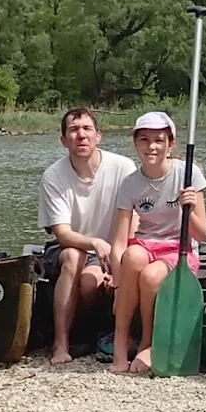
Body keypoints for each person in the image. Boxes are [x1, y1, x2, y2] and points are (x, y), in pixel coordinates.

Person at [109, 112, 206, 374]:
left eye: (158, 140)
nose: (151, 146)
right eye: (144, 140)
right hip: (146, 244)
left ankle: (149, 344)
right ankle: (120, 344)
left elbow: (202, 233)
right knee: (131, 257)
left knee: (152, 277)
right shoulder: (130, 183)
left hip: (180, 248)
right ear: (135, 144)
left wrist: (189, 205)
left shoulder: (188, 174)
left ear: (170, 144)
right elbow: (119, 242)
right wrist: (118, 286)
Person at [37, 108, 136, 364]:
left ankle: (101, 333)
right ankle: (60, 345)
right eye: (73, 130)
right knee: (72, 256)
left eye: (86, 129)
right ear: (63, 140)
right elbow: (61, 233)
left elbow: (134, 220)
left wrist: (118, 260)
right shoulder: (53, 176)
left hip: (115, 248)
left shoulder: (123, 167)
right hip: (70, 248)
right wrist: (94, 242)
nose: (81, 135)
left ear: (98, 136)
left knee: (90, 285)